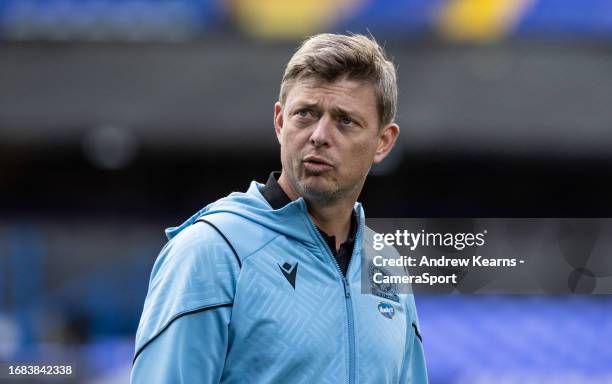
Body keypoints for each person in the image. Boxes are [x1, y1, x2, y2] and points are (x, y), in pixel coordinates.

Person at [131, 33, 428, 383]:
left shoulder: (386, 266)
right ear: (280, 121)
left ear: (383, 142)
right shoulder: (212, 251)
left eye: (345, 120)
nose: (319, 135)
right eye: (305, 114)